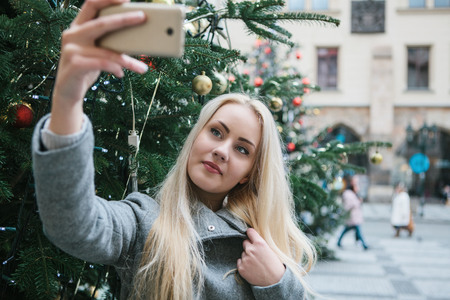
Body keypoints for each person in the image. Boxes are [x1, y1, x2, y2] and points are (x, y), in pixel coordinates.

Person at [31, 0, 316, 299]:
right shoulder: (144, 222)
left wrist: (277, 282)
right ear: (195, 138)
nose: (221, 151)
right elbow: (73, 224)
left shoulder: (262, 249)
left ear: (248, 174)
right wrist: (68, 98)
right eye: (216, 132)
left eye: (243, 150)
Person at [336, 175, 369, 250]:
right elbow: (349, 205)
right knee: (357, 231)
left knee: (347, 230)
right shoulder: (348, 194)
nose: (357, 188)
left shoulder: (352, 194)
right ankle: (364, 244)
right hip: (352, 216)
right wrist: (358, 202)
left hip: (355, 216)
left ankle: (339, 242)